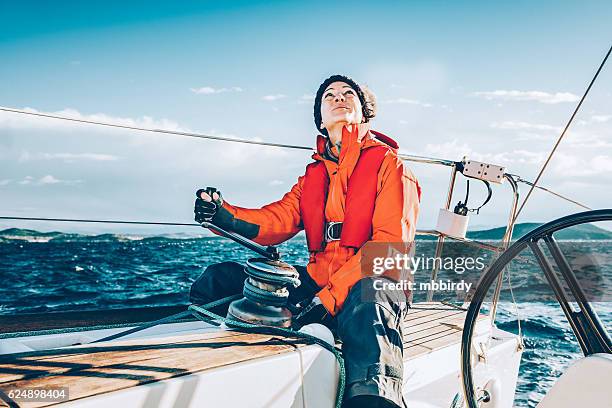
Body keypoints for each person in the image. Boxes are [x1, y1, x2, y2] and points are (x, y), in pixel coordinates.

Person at [190, 74, 421, 408]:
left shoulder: (392, 167)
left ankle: (375, 399)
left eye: (348, 94)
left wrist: (328, 300)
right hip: (317, 282)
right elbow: (277, 219)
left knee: (369, 303)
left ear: (365, 112)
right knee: (218, 280)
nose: (338, 98)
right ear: (321, 117)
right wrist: (223, 215)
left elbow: (389, 247)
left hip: (373, 284)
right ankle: (211, 361)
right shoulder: (314, 175)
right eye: (329, 95)